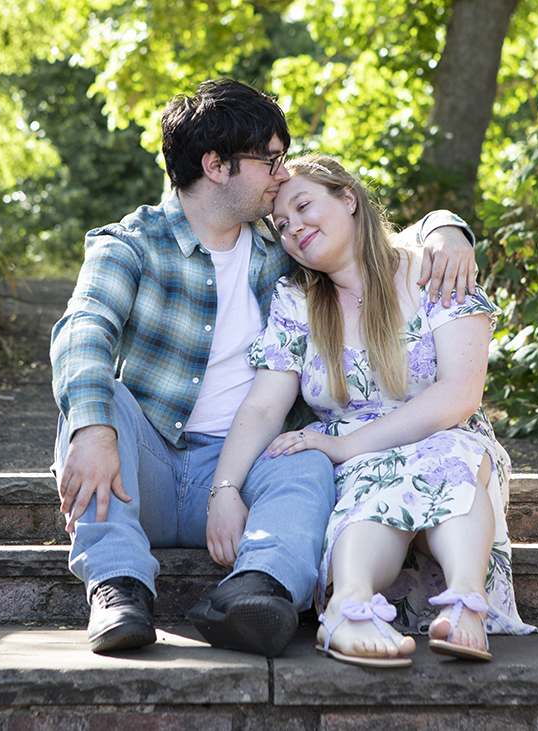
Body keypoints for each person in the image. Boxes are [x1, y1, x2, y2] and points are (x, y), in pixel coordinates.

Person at [51, 79, 478, 657]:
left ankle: (258, 591)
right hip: (145, 464)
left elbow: (370, 239)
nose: (282, 175)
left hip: (244, 465)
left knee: (303, 458)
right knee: (97, 402)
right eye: (270, 160)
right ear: (216, 165)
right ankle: (119, 589)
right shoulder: (129, 246)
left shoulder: (284, 247)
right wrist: (94, 427)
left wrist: (445, 228)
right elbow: (84, 329)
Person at [206, 154, 538, 668]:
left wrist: (345, 445)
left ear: (348, 197)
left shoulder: (434, 269)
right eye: (282, 225)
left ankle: (465, 603)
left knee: (449, 453)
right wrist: (224, 489)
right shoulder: (297, 300)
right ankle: (350, 604)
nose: (294, 228)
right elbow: (263, 405)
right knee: (369, 479)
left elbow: (460, 394)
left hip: (445, 434)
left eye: (303, 206)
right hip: (355, 461)